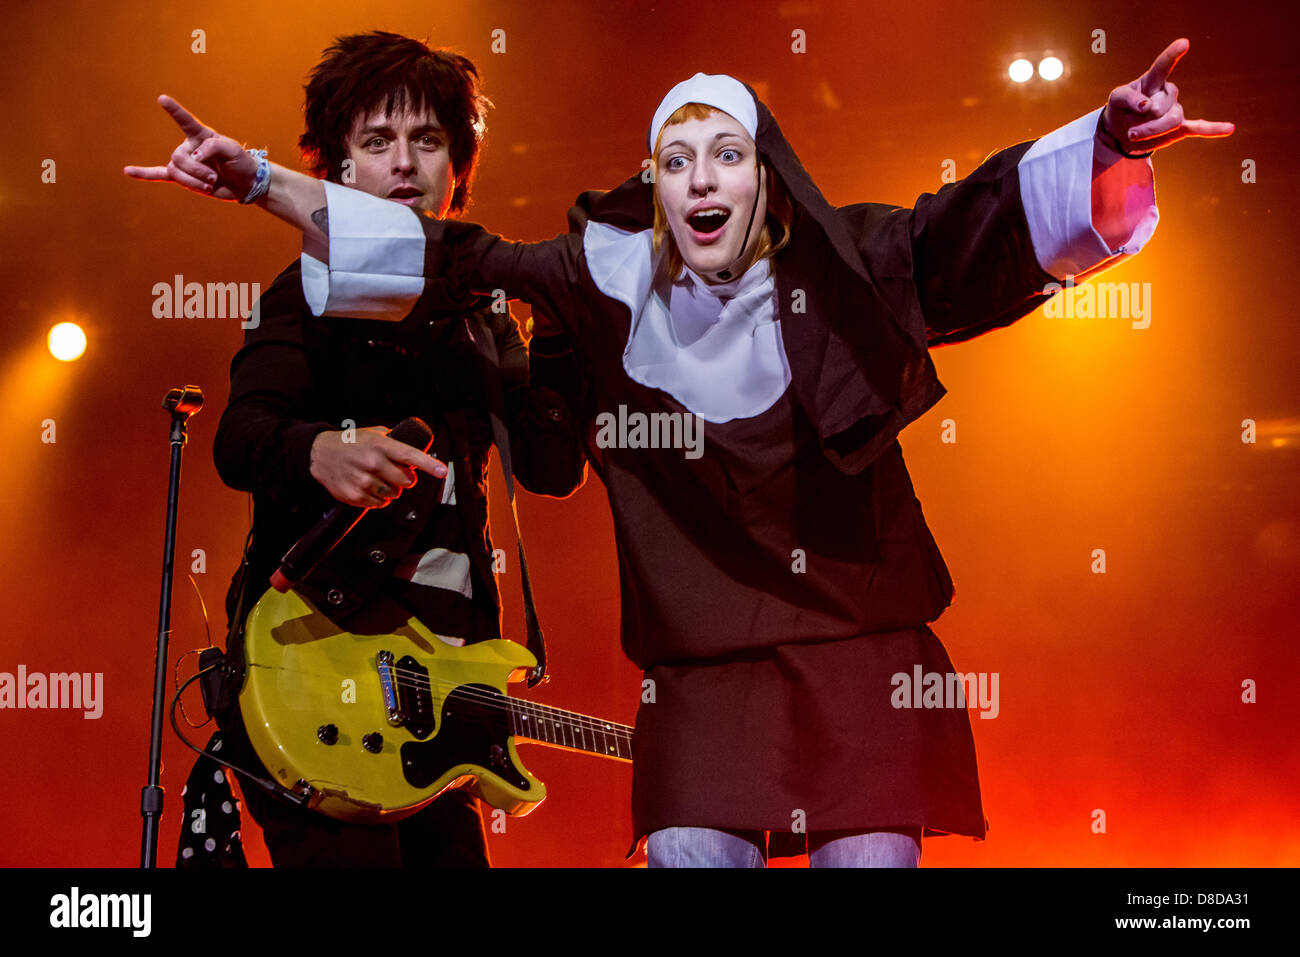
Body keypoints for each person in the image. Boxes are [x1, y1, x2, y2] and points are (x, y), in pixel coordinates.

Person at [128, 38, 1231, 867]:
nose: (703, 178)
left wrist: (1109, 143)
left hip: (851, 659)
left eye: (728, 155)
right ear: (652, 184)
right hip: (639, 675)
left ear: (766, 178)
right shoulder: (591, 280)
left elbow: (969, 233)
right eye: (677, 159)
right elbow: (443, 262)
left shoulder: (849, 266)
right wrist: (262, 183)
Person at [142, 31, 587, 867]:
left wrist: (560, 323)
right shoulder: (303, 294)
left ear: (460, 165)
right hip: (315, 676)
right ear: (336, 172)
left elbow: (554, 468)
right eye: (376, 143)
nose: (404, 165)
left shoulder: (486, 319)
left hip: (438, 703)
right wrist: (321, 451)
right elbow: (241, 438)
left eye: (428, 141)